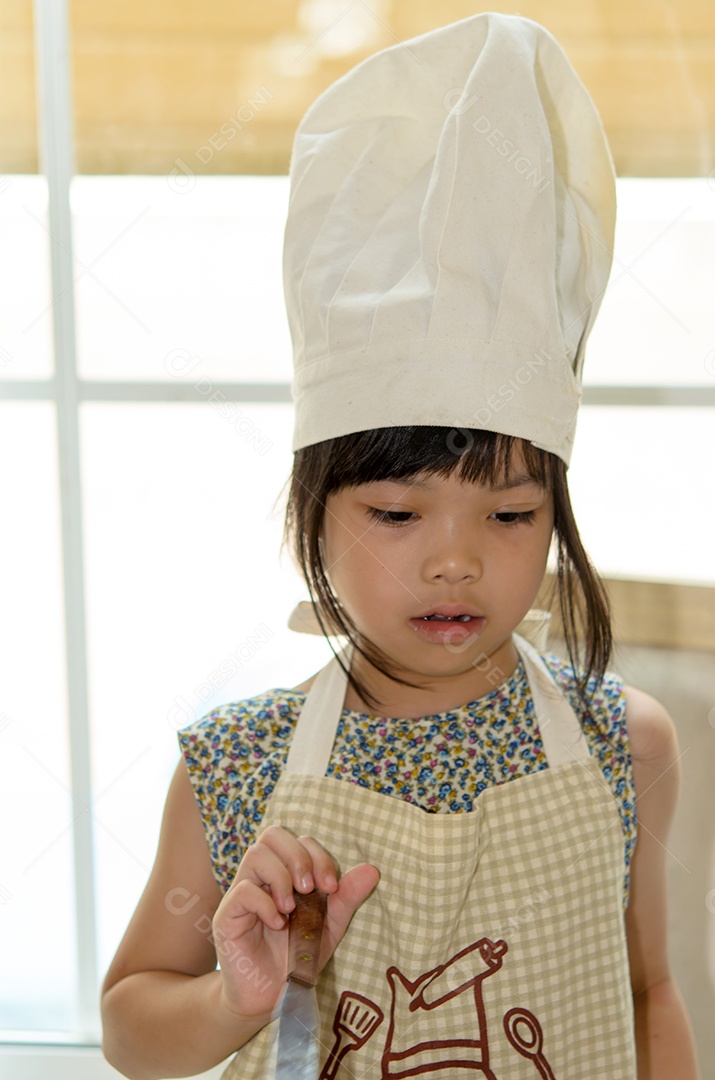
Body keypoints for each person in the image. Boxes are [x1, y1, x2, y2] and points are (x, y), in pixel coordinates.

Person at [101, 12, 700, 1079]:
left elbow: (647, 989)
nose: (456, 560)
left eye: (509, 516)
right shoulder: (235, 766)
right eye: (395, 513)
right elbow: (132, 1026)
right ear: (312, 510)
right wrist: (233, 999)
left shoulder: (627, 746)